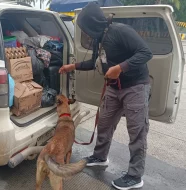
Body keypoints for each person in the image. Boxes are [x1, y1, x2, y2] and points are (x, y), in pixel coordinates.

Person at [59, 2, 153, 190]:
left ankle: (135, 176)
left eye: (85, 27)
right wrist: (73, 66)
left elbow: (146, 52)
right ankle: (100, 157)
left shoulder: (120, 31)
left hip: (135, 86)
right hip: (113, 88)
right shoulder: (98, 38)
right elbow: (96, 61)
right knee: (104, 124)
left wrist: (120, 68)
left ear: (92, 24)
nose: (84, 32)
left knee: (137, 133)